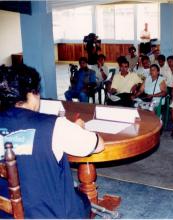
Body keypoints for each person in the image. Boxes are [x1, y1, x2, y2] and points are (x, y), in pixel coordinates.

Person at [0, 64, 104, 218]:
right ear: (31, 94)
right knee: (81, 198)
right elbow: (98, 145)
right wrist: (78, 129)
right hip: (51, 214)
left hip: (7, 212)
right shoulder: (54, 125)